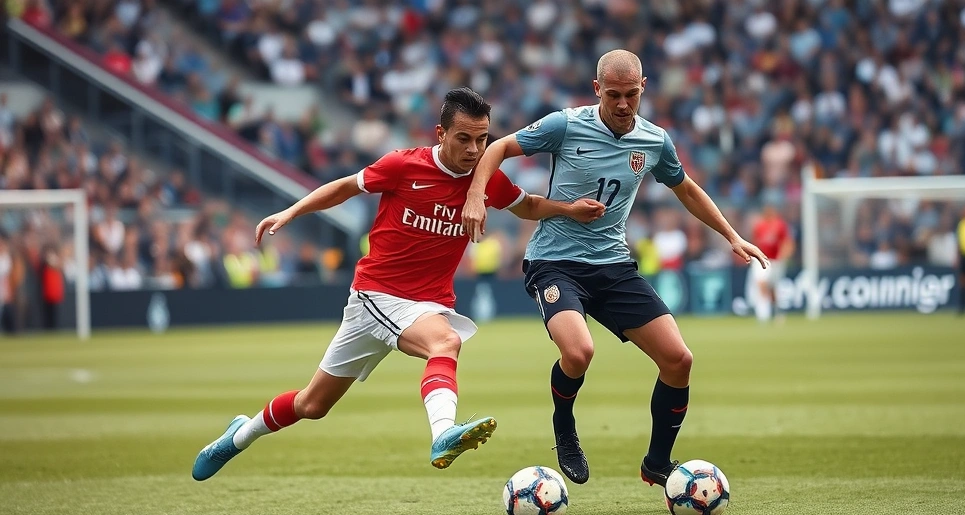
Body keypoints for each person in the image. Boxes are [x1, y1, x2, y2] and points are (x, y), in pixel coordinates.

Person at [192, 88, 605, 481]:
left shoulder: (485, 180)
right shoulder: (403, 165)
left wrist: (568, 209)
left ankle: (239, 434)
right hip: (377, 294)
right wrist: (291, 212)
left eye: (482, 140)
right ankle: (442, 432)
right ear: (440, 133)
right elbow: (344, 188)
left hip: (427, 303)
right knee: (439, 345)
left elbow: (527, 205)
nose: (475, 150)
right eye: (464, 139)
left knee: (315, 403)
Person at [461, 50, 767, 488]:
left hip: (614, 265)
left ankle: (656, 463)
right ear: (596, 89)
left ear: (644, 88)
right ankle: (564, 428)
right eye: (613, 95)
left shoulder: (654, 141)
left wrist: (731, 235)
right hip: (555, 263)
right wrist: (476, 195)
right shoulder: (565, 125)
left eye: (631, 95)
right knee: (578, 353)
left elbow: (686, 189)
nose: (623, 104)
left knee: (679, 360)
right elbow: (498, 148)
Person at [747, 203, 794, 323]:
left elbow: (787, 242)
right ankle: (763, 313)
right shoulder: (759, 226)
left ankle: (777, 311)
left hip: (775, 261)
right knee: (761, 282)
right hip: (761, 259)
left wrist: (783, 257)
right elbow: (755, 242)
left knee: (772, 287)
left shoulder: (780, 225)